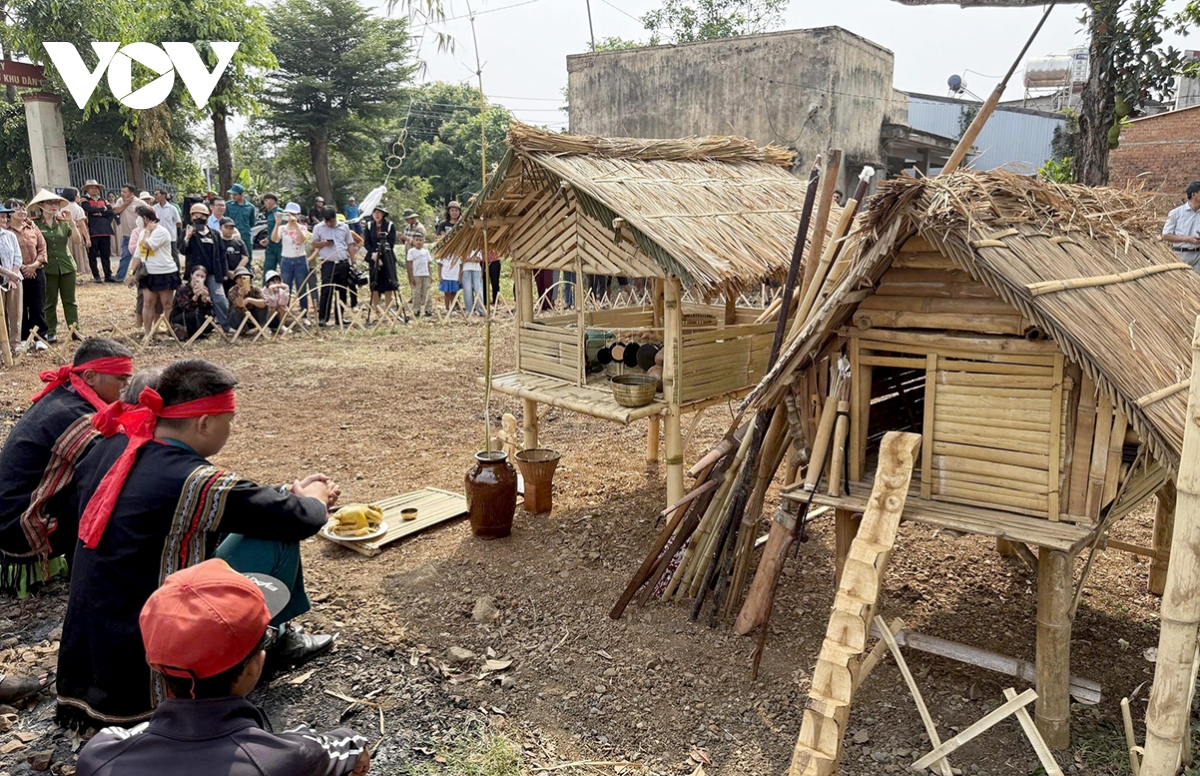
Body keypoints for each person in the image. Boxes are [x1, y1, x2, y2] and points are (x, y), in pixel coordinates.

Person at [58, 359, 338, 729]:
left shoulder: (115, 446)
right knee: (276, 534)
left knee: (255, 522)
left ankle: (269, 641)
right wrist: (315, 498)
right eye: (229, 420)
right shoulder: (192, 479)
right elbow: (300, 519)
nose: (231, 428)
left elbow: (244, 504)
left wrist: (288, 495)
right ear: (205, 423)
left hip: (87, 665)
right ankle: (261, 647)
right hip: (147, 666)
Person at [75, 559, 370, 776]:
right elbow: (354, 747)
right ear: (253, 666)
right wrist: (299, 738)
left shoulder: (100, 756)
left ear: (156, 665)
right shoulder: (283, 759)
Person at [0, 339, 132, 591]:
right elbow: (119, 464)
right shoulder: (75, 416)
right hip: (23, 533)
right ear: (91, 376)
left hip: (8, 522)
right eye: (122, 380)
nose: (126, 389)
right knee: (117, 484)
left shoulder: (64, 396)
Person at [30, 189, 82, 344]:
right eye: (50, 203)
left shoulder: (63, 223)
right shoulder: (35, 224)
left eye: (56, 203)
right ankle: (51, 331)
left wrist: (72, 222)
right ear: (41, 205)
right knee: (49, 302)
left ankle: (75, 330)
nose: (54, 206)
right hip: (48, 268)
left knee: (70, 301)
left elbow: (77, 240)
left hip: (67, 266)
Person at [126, 206, 178, 336]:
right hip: (148, 272)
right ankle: (148, 332)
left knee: (167, 304)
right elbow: (138, 254)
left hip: (165, 272)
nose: (136, 221)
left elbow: (147, 245)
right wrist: (132, 273)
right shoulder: (143, 233)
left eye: (138, 217)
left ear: (145, 218)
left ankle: (169, 331)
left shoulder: (161, 231)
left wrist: (148, 232)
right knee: (148, 302)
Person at [181, 203, 231, 331]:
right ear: (191, 217)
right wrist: (187, 238)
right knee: (197, 298)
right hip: (196, 273)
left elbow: (222, 253)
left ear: (207, 217)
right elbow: (182, 250)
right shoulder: (188, 233)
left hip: (213, 272)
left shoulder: (214, 234)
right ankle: (200, 327)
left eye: (201, 215)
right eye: (195, 215)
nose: (198, 218)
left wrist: (224, 272)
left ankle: (227, 325)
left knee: (219, 299)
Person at [310, 206, 362, 326]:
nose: (329, 224)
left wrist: (353, 262)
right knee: (326, 290)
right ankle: (323, 318)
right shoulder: (318, 228)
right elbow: (314, 244)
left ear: (335, 217)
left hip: (343, 263)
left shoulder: (344, 227)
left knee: (342, 291)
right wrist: (324, 243)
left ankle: (340, 317)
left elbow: (350, 245)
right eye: (327, 221)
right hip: (328, 263)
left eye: (331, 221)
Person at [8, 200, 49, 350]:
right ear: (8, 213)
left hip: (36, 270)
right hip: (16, 274)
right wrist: (21, 269)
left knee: (38, 305)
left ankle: (40, 337)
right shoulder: (6, 231)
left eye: (23, 208)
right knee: (21, 306)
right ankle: (25, 337)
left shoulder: (32, 227)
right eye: (16, 208)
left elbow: (42, 248)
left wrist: (34, 266)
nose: (22, 210)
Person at [273, 203, 311, 323]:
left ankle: (304, 314)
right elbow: (274, 239)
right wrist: (277, 223)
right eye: (288, 214)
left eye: (293, 214)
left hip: (300, 259)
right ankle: (285, 313)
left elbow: (302, 239)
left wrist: (296, 226)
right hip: (286, 260)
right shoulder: (282, 228)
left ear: (298, 215)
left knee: (302, 287)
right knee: (286, 287)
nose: (290, 217)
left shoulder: (302, 227)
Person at [362, 205, 398, 316]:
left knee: (389, 282)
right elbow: (366, 242)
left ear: (383, 214)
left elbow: (391, 243)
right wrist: (374, 253)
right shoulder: (368, 226)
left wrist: (380, 254)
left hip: (387, 257)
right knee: (374, 283)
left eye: (379, 212)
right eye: (375, 212)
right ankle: (376, 310)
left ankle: (387, 309)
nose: (377, 214)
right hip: (373, 257)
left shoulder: (390, 225)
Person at [81, 180, 115, 283]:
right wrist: (102, 209)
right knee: (93, 255)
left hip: (105, 230)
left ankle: (108, 275)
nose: (94, 190)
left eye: (96, 188)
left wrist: (100, 213)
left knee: (106, 254)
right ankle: (96, 276)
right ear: (87, 189)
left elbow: (110, 212)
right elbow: (88, 209)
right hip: (92, 231)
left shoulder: (104, 200)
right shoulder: (84, 200)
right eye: (91, 188)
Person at [0, 204, 23, 354]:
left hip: (14, 280)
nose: (4, 219)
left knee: (15, 312)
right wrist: (8, 273)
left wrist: (13, 276)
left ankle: (15, 344)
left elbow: (17, 256)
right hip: (3, 278)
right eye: (1, 217)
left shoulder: (10, 235)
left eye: (4, 217)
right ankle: (3, 345)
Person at [170, 267, 216, 340]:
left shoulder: (204, 288)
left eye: (202, 277)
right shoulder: (183, 288)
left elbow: (209, 306)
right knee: (193, 314)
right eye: (197, 275)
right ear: (191, 275)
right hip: (181, 315)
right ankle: (195, 334)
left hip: (196, 313)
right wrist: (196, 295)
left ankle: (204, 331)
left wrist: (206, 300)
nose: (199, 278)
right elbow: (186, 308)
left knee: (209, 312)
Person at [1163, 181, 1200, 271]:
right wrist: (1187, 239)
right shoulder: (1176, 213)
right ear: (1194, 195)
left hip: (1198, 256)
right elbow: (1166, 235)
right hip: (1180, 255)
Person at [110, 185, 140, 282]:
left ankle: (141, 276)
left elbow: (150, 212)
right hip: (126, 234)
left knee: (142, 256)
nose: (122, 193)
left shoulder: (139, 202)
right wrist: (126, 203)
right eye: (121, 191)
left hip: (139, 235)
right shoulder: (120, 201)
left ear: (131, 193)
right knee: (125, 256)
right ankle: (120, 276)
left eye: (124, 192)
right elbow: (115, 211)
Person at [62, 188, 89, 276]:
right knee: (78, 253)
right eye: (78, 195)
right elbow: (82, 224)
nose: (79, 196)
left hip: (63, 233)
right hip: (75, 232)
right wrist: (87, 238)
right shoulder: (77, 208)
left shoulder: (60, 206)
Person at [153, 190, 183, 265]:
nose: (155, 196)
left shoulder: (172, 208)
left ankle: (177, 273)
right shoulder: (154, 208)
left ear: (163, 195)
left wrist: (171, 229)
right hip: (158, 237)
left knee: (174, 255)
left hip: (171, 236)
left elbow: (178, 223)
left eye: (157, 194)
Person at [225, 184, 256, 255]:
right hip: (231, 235)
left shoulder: (250, 207)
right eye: (232, 194)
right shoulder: (228, 205)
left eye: (235, 194)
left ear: (241, 194)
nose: (233, 196)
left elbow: (252, 222)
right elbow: (225, 219)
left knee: (247, 255)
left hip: (245, 235)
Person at [219, 217, 251, 283]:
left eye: (231, 228)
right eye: (226, 227)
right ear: (220, 228)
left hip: (238, 275)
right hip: (223, 275)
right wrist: (227, 272)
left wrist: (236, 272)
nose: (229, 230)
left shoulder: (239, 242)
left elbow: (245, 258)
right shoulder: (217, 243)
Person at [400, 209, 425, 293]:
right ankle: (413, 293)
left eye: (408, 219)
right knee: (410, 275)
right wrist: (401, 238)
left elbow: (419, 243)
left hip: (417, 255)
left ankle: (420, 295)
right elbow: (405, 242)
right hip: (409, 254)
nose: (406, 220)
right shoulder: (407, 227)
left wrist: (406, 238)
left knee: (418, 275)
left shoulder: (419, 228)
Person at [408, 232, 433, 316]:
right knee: (416, 292)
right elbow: (409, 264)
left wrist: (430, 275)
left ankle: (428, 309)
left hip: (425, 274)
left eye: (420, 240)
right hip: (416, 275)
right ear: (413, 241)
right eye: (417, 240)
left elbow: (429, 264)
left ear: (423, 241)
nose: (418, 242)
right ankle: (416, 309)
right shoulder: (411, 251)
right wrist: (411, 276)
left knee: (427, 292)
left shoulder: (425, 252)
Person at [260, 192, 283, 281]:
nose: (265, 203)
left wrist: (269, 239)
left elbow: (281, 228)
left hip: (280, 245)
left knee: (283, 270)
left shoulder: (279, 212)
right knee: (268, 269)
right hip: (271, 245)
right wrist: (267, 239)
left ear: (272, 201)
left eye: (266, 200)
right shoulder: (269, 213)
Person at [438, 247, 461, 314]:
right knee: (447, 293)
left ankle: (453, 309)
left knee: (454, 293)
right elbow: (439, 265)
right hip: (446, 277)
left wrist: (460, 277)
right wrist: (440, 276)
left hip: (454, 277)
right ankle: (447, 308)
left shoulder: (458, 256)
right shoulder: (444, 255)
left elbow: (460, 266)